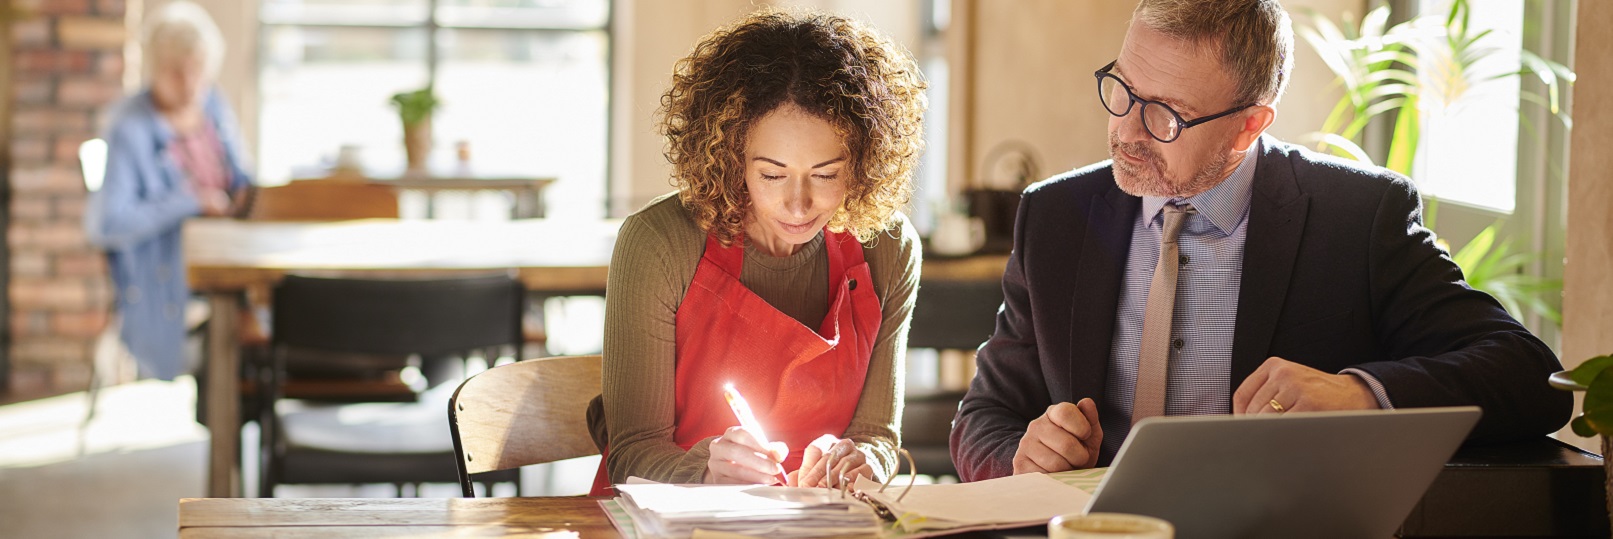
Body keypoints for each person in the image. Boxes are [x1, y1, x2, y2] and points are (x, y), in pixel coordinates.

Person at [950, 0, 1570, 481]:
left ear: (1249, 126)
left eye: (1165, 114)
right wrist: (1022, 459)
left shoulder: (1355, 218)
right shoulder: (1055, 215)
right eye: (1122, 89)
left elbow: (1529, 376)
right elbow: (985, 418)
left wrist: (1359, 394)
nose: (1126, 131)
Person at [586, 8, 926, 494]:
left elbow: (876, 436)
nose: (798, 203)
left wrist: (859, 461)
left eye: (826, 174)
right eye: (771, 174)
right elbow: (631, 452)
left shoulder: (887, 248)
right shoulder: (660, 243)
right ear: (731, 156)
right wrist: (706, 472)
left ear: (865, 163)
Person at [84, 1, 253, 381]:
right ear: (154, 69)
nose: (191, 82)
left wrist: (244, 193)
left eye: (199, 71)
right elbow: (107, 224)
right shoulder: (129, 126)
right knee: (240, 330)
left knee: (286, 309)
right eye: (177, 72)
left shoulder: (212, 105)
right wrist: (190, 202)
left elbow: (242, 175)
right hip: (166, 278)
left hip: (230, 257)